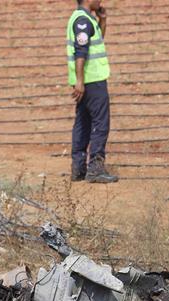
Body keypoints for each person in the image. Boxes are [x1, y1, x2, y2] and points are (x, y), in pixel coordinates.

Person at [68, 0, 118, 183]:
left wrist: (102, 22)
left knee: (83, 123)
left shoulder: (83, 19)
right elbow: (80, 52)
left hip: (86, 81)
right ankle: (95, 169)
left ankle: (78, 168)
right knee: (100, 123)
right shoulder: (83, 21)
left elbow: (93, 44)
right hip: (92, 81)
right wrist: (80, 81)